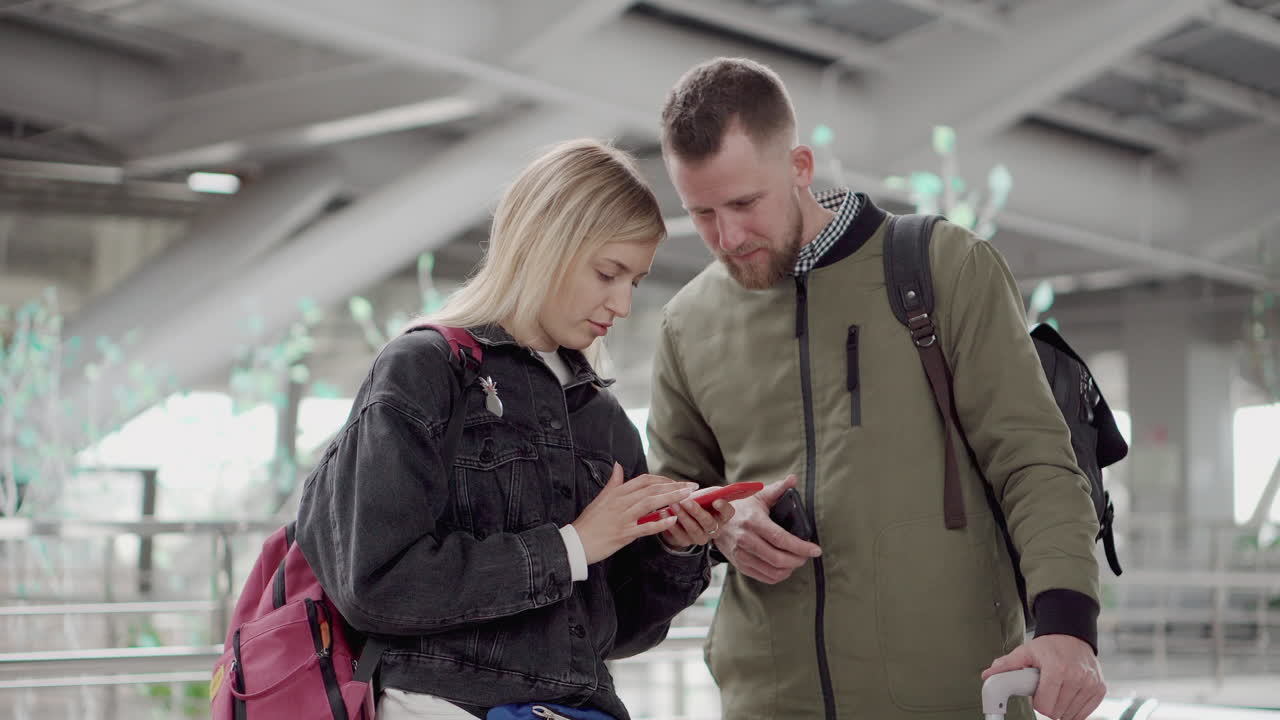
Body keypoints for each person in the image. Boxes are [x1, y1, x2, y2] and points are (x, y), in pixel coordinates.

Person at [646, 57, 1106, 720]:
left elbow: (1032, 459)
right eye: (702, 213)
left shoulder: (945, 268)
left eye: (745, 203)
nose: (729, 236)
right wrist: (720, 524)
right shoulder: (687, 323)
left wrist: (1066, 626)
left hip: (949, 696)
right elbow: (674, 496)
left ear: (799, 167)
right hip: (768, 701)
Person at [296, 139, 730, 720]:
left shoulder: (603, 418)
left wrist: (678, 550)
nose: (623, 303)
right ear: (546, 245)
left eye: (635, 280)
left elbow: (614, 633)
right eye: (608, 273)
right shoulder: (425, 370)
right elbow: (375, 585)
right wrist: (572, 545)